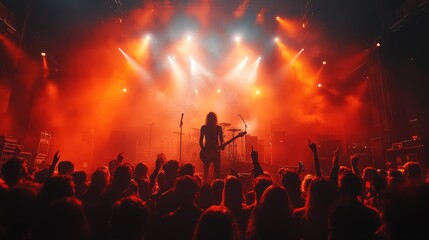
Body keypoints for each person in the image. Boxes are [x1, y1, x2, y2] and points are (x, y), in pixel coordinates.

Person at [199, 112, 224, 183]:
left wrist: (204, 151)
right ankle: (218, 188)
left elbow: (200, 141)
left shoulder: (204, 127)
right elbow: (222, 141)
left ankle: (204, 188)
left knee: (206, 172)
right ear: (215, 119)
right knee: (217, 173)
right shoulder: (218, 128)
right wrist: (222, 145)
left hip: (209, 151)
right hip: (215, 153)